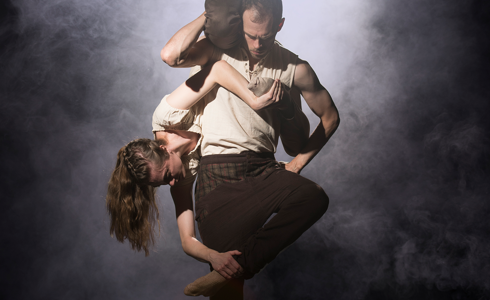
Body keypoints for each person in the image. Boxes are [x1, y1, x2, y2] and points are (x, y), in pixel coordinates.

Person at [160, 0, 340, 298]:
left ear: (279, 26)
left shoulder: (295, 68)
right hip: (217, 175)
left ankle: (242, 266)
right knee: (227, 293)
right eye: (250, 35)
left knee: (313, 198)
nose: (257, 44)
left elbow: (330, 117)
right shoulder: (218, 49)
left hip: (263, 169)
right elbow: (171, 55)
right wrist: (211, 15)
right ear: (237, 24)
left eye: (265, 36)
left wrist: (296, 164)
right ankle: (230, 276)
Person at [106, 60, 285, 276]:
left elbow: (217, 70)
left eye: (167, 176)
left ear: (164, 150)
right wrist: (213, 256)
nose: (172, 183)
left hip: (240, 71)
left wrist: (255, 102)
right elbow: (187, 239)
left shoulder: (167, 115)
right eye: (164, 184)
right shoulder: (184, 174)